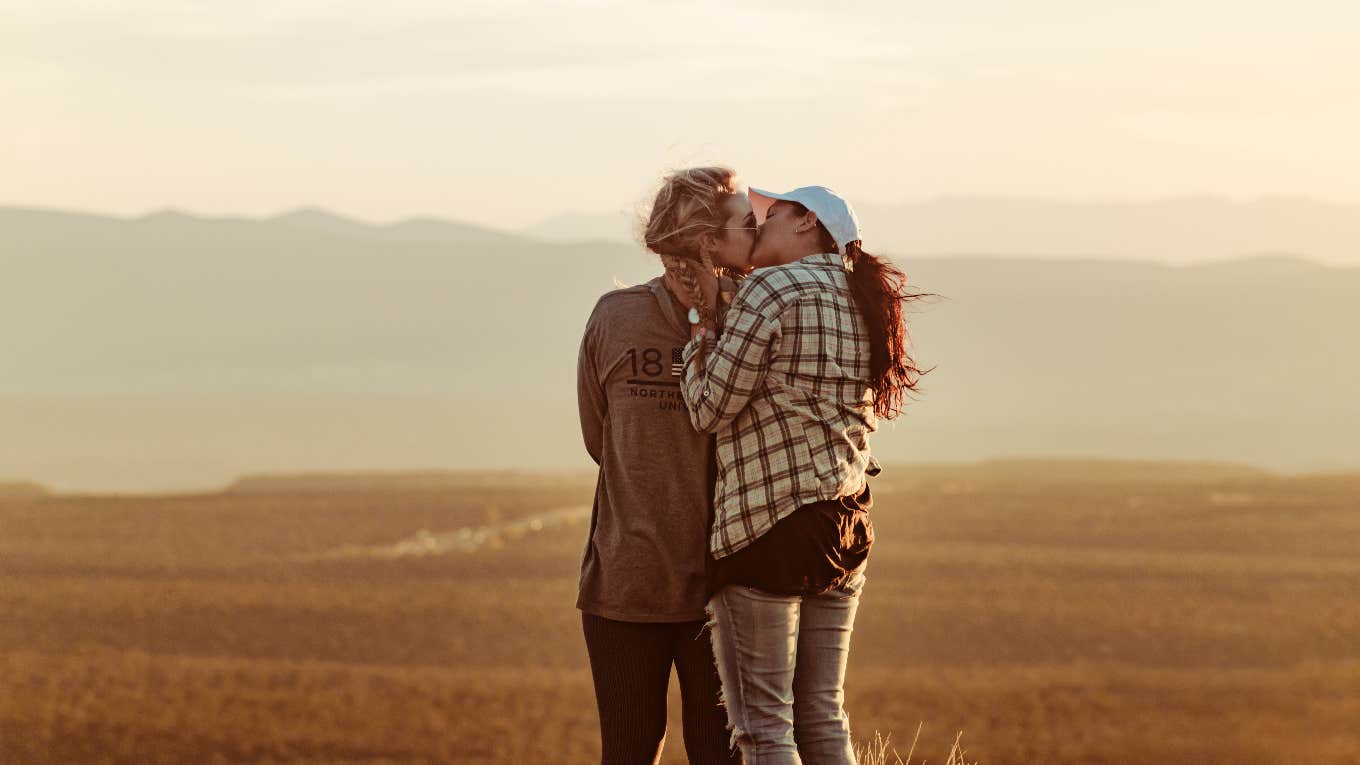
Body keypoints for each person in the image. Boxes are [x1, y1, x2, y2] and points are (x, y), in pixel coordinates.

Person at [672, 185, 928, 764]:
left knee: (764, 726)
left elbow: (710, 407)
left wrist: (697, 338)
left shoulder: (773, 288)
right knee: (822, 713)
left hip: (770, 526)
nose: (758, 226)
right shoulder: (864, 297)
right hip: (847, 521)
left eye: (772, 214)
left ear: (809, 222)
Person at [575, 166, 758, 764]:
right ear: (705, 237)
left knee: (720, 755)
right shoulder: (616, 316)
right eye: (742, 220)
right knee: (627, 751)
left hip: (725, 590)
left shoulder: (755, 319)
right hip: (625, 587)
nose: (755, 230)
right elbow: (601, 439)